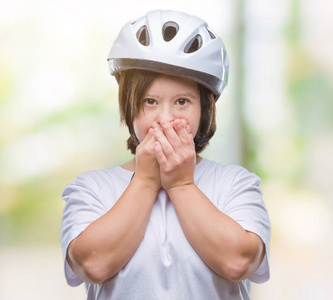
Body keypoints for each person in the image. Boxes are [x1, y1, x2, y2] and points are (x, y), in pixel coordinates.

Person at [60, 9, 271, 300]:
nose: (165, 119)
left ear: (205, 111)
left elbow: (239, 262)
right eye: (150, 102)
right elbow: (93, 264)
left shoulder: (235, 183)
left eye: (182, 102)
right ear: (128, 109)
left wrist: (181, 184)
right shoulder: (92, 188)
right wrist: (146, 180)